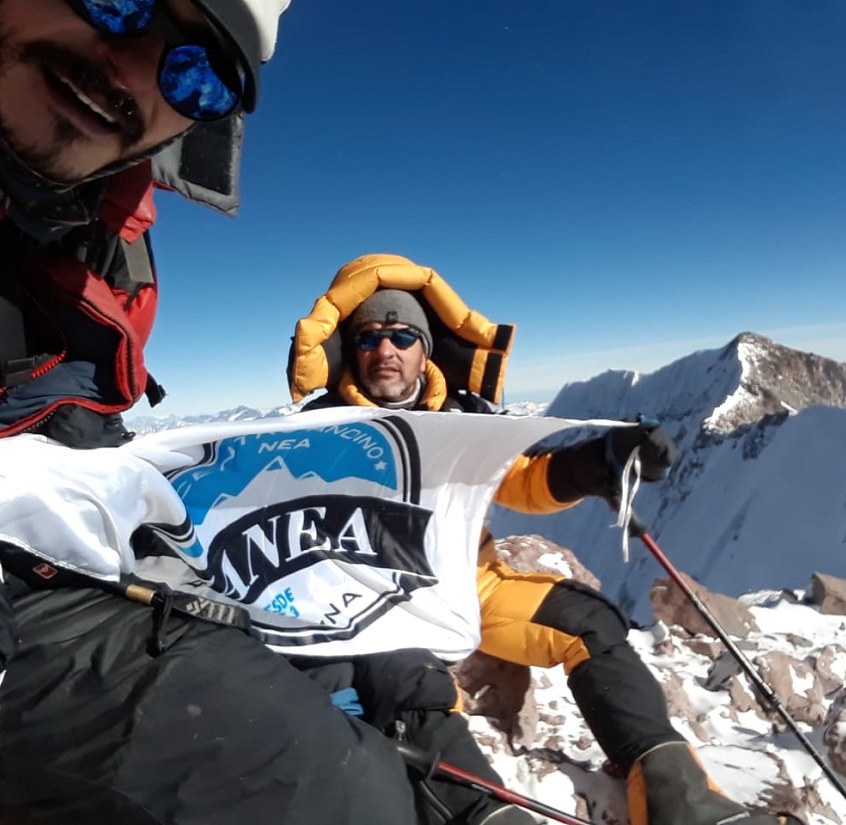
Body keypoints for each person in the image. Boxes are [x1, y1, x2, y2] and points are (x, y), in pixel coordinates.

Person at [0, 4, 420, 823]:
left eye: (199, 70)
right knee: (326, 788)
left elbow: (77, 413)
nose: (132, 69)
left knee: (339, 665)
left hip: (9, 547)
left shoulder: (101, 234)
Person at [286, 253, 805, 825]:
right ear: (348, 350)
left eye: (403, 335)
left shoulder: (464, 417)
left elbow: (525, 481)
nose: (386, 350)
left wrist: (600, 460)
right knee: (409, 684)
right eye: (370, 338)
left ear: (424, 348)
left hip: (466, 582)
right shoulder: (317, 430)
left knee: (591, 624)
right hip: (372, 597)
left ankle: (680, 799)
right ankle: (485, 814)